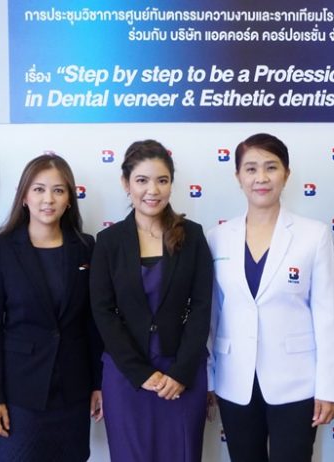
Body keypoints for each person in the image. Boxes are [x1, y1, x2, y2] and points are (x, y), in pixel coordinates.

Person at [207, 133, 334, 462]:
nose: (261, 178)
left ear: (286, 174)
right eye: (251, 169)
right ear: (238, 176)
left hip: (296, 381)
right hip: (234, 380)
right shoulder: (217, 237)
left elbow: (326, 315)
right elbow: (211, 315)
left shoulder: (314, 235)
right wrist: (209, 377)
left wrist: (328, 387)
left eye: (271, 167)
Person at [90, 139, 213, 462]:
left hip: (182, 373)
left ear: (171, 183)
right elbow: (103, 311)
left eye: (162, 180)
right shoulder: (108, 241)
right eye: (142, 180)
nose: (152, 190)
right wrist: (139, 372)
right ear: (126, 183)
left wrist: (182, 372)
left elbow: (202, 307)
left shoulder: (193, 236)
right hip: (127, 376)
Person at [0, 153, 103, 462]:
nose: (49, 199)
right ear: (24, 196)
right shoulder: (1, 248)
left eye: (58, 190)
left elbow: (93, 323)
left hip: (73, 390)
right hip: (20, 394)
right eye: (39, 189)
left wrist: (98, 384)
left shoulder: (86, 247)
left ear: (69, 199)